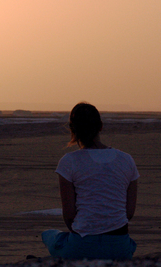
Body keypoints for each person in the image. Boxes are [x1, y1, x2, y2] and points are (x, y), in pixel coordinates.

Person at [41, 102, 139, 260]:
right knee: (129, 244)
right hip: (119, 247)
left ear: (73, 129)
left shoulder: (69, 161)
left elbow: (69, 215)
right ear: (100, 126)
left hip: (83, 245)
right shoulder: (126, 160)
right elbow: (128, 212)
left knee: (49, 235)